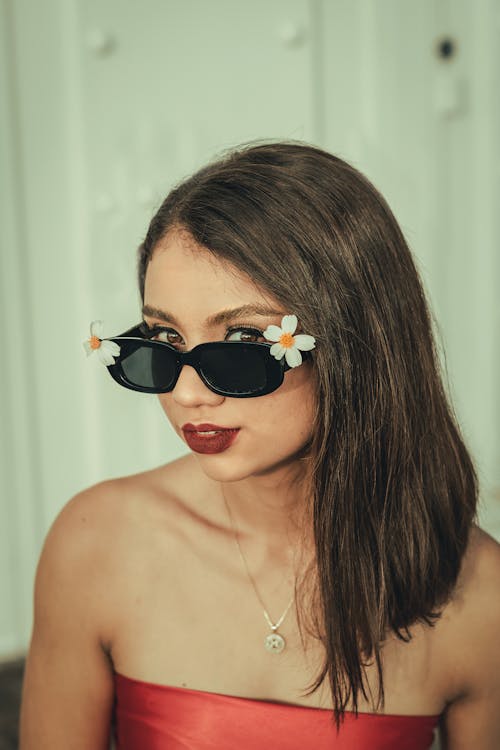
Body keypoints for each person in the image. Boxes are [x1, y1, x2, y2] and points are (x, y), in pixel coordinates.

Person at [19, 141, 500, 749]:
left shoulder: (478, 594)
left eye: (242, 338)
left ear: (355, 342)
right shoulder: (96, 545)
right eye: (165, 337)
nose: (189, 394)